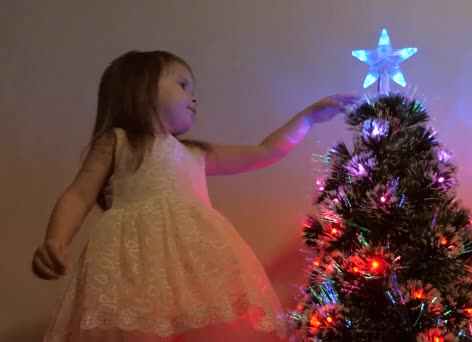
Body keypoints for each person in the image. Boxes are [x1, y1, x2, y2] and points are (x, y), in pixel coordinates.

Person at [31, 50, 360, 341]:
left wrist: (308, 117)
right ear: (141, 90)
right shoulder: (118, 142)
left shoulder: (196, 153)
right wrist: (56, 238)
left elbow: (265, 151)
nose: (194, 97)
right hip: (131, 267)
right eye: (182, 84)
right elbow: (78, 195)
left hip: (196, 267)